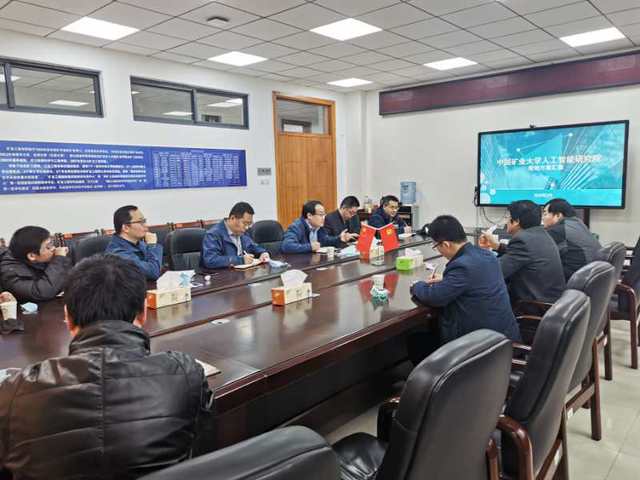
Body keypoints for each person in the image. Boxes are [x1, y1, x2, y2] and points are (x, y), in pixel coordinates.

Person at [0, 254, 213, 479]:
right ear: (143, 312)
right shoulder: (186, 373)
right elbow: (204, 448)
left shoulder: (14, 392)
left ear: (67, 317)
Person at [408, 215, 521, 364]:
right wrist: (447, 279)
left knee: (416, 341)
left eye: (436, 246)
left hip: (480, 349)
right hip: (504, 339)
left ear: (446, 244)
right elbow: (474, 279)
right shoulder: (486, 254)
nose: (439, 251)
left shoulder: (461, 265)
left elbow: (435, 297)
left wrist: (417, 285)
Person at [480, 200, 565, 305]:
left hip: (532, 305)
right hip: (550, 300)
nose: (506, 221)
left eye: (508, 217)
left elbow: (494, 272)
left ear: (516, 221)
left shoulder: (522, 240)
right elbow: (523, 254)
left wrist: (483, 251)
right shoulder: (540, 233)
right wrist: (497, 246)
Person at [0, 226, 71, 303]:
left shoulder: (39, 257)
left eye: (52, 243)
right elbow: (43, 292)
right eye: (48, 246)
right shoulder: (10, 273)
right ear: (32, 256)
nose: (53, 248)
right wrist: (59, 259)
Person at [542, 198, 602, 281]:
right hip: (592, 276)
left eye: (545, 214)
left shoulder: (558, 230)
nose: (542, 218)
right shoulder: (578, 224)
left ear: (558, 215)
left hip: (576, 278)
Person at [201, 202, 269, 269]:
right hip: (222, 275)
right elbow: (210, 260)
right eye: (245, 223)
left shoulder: (242, 232)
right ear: (232, 218)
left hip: (242, 273)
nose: (247, 227)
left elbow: (253, 246)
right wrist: (240, 260)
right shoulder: (213, 234)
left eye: (249, 224)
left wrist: (263, 253)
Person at [105, 205, 163, 280]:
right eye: (141, 222)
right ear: (126, 228)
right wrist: (152, 245)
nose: (146, 226)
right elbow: (153, 272)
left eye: (144, 221)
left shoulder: (139, 243)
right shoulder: (117, 254)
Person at [281, 200, 357, 253]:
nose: (324, 218)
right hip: (299, 265)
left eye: (324, 214)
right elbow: (286, 246)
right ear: (309, 215)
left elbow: (325, 240)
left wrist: (339, 238)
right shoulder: (296, 227)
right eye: (321, 215)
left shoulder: (318, 226)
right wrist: (310, 247)